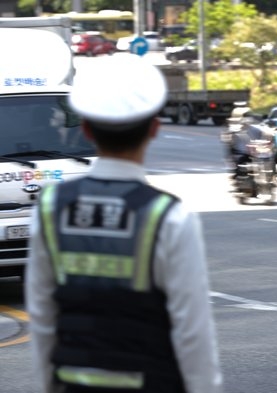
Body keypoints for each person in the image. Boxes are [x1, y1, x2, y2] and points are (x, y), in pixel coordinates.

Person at [25, 54, 223, 393]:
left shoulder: (49, 208)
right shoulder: (168, 217)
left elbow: (42, 319)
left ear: (85, 129)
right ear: (155, 128)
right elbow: (193, 333)